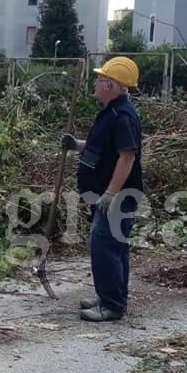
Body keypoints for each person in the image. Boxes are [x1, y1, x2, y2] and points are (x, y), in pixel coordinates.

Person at [61, 56, 144, 322]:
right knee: (113, 246)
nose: (95, 83)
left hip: (118, 196)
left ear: (111, 84)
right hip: (106, 194)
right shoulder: (111, 112)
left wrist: (110, 193)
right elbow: (102, 148)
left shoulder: (123, 116)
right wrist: (77, 145)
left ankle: (112, 305)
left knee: (104, 245)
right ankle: (110, 297)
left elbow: (127, 157)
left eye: (99, 79)